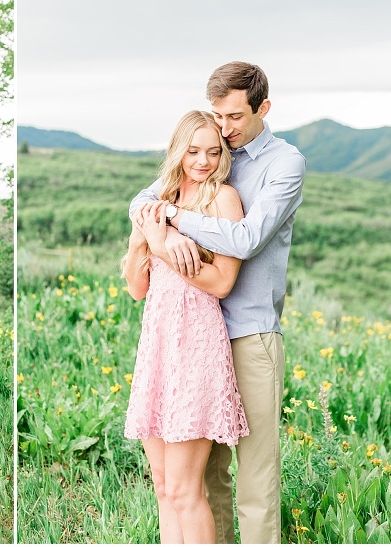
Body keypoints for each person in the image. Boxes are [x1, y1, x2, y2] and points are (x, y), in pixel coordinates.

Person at [130, 61, 306, 544]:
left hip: (248, 332)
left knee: (255, 479)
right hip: (193, 339)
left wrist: (173, 221)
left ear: (262, 109)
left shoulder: (283, 164)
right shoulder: (206, 152)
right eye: (217, 116)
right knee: (205, 481)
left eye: (234, 118)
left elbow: (246, 239)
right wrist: (158, 226)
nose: (224, 131)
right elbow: (141, 204)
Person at [123, 110, 249, 544]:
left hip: (196, 345)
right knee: (162, 487)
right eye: (194, 151)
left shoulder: (224, 199)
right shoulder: (161, 197)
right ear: (178, 149)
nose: (203, 161)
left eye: (214, 152)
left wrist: (164, 239)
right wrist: (148, 240)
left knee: (183, 489)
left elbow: (221, 282)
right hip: (157, 343)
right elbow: (137, 287)